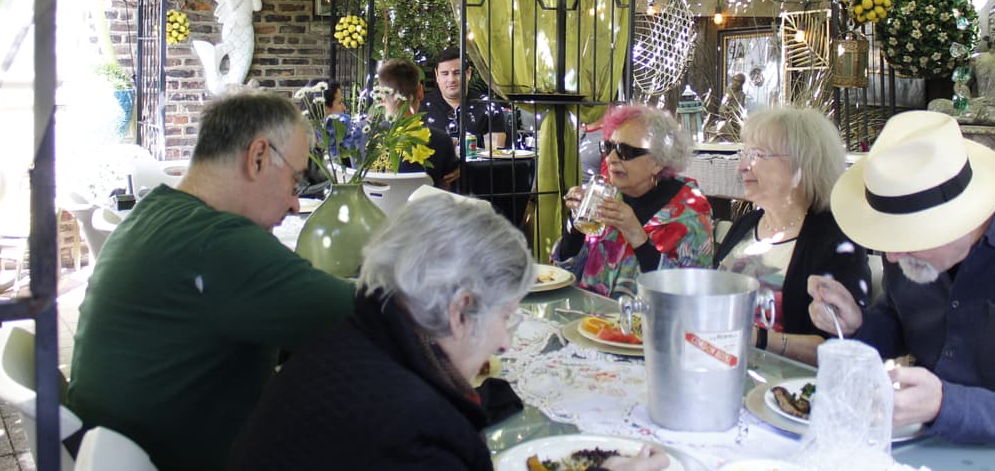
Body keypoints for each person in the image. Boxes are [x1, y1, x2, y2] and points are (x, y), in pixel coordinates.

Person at [228, 193, 670, 471]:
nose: (504, 342)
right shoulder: (419, 427)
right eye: (505, 317)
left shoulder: (346, 344)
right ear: (461, 310)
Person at [67, 93, 354, 471]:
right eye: (295, 180)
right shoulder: (218, 242)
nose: (294, 203)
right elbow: (373, 314)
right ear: (258, 157)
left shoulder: (154, 212)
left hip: (121, 451)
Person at [808, 110, 995, 446]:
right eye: (888, 237)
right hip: (913, 449)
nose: (892, 256)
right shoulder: (907, 247)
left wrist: (944, 405)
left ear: (964, 216)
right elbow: (902, 322)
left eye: (905, 235)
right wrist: (856, 324)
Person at [714, 106, 870, 365]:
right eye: (744, 153)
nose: (742, 166)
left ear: (802, 166)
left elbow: (839, 342)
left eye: (757, 155)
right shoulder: (746, 224)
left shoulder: (834, 239)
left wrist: (758, 339)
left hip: (783, 389)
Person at [553, 104, 715, 297]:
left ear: (658, 162)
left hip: (646, 325)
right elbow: (563, 274)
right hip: (589, 322)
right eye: (609, 147)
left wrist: (638, 237)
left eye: (625, 151)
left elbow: (692, 295)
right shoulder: (606, 196)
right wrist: (576, 227)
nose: (611, 158)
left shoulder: (691, 216)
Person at [378, 58, 460, 188]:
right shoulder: (441, 141)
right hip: (423, 207)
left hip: (373, 207)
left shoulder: (363, 137)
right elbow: (447, 186)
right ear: (420, 91)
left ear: (381, 97)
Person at [421, 47, 513, 150]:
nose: (451, 79)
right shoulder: (422, 106)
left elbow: (497, 150)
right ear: (437, 75)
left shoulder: (489, 106)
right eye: (445, 74)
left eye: (457, 73)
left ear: (468, 73)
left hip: (478, 166)